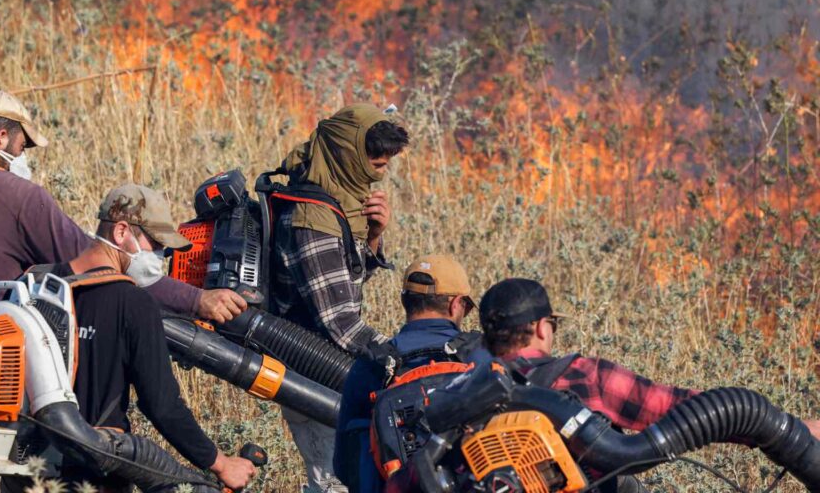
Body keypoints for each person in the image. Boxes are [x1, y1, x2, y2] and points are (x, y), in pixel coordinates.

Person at [0, 90, 245, 322]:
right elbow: (104, 266)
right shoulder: (19, 196)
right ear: (0, 139)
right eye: (22, 148)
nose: (22, 158)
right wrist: (196, 300)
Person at [23, 183, 257, 492]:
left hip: (24, 469)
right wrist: (222, 464)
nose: (158, 257)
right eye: (155, 244)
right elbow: (162, 405)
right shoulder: (133, 303)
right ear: (121, 232)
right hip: (94, 475)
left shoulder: (32, 282)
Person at [269, 103, 409, 493]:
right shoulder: (312, 219)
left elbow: (344, 284)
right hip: (313, 372)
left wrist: (373, 236)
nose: (380, 173)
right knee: (333, 485)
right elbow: (342, 325)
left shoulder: (335, 204)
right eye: (375, 164)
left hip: (330, 372)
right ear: (348, 157)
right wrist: (405, 358)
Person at [479, 278, 820, 437]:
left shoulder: (467, 386)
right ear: (542, 327)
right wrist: (796, 428)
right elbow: (680, 406)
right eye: (552, 325)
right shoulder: (586, 376)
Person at [333, 255, 492, 493]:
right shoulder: (483, 358)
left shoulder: (369, 366)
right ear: (456, 304)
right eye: (466, 307)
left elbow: (344, 467)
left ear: (403, 301)